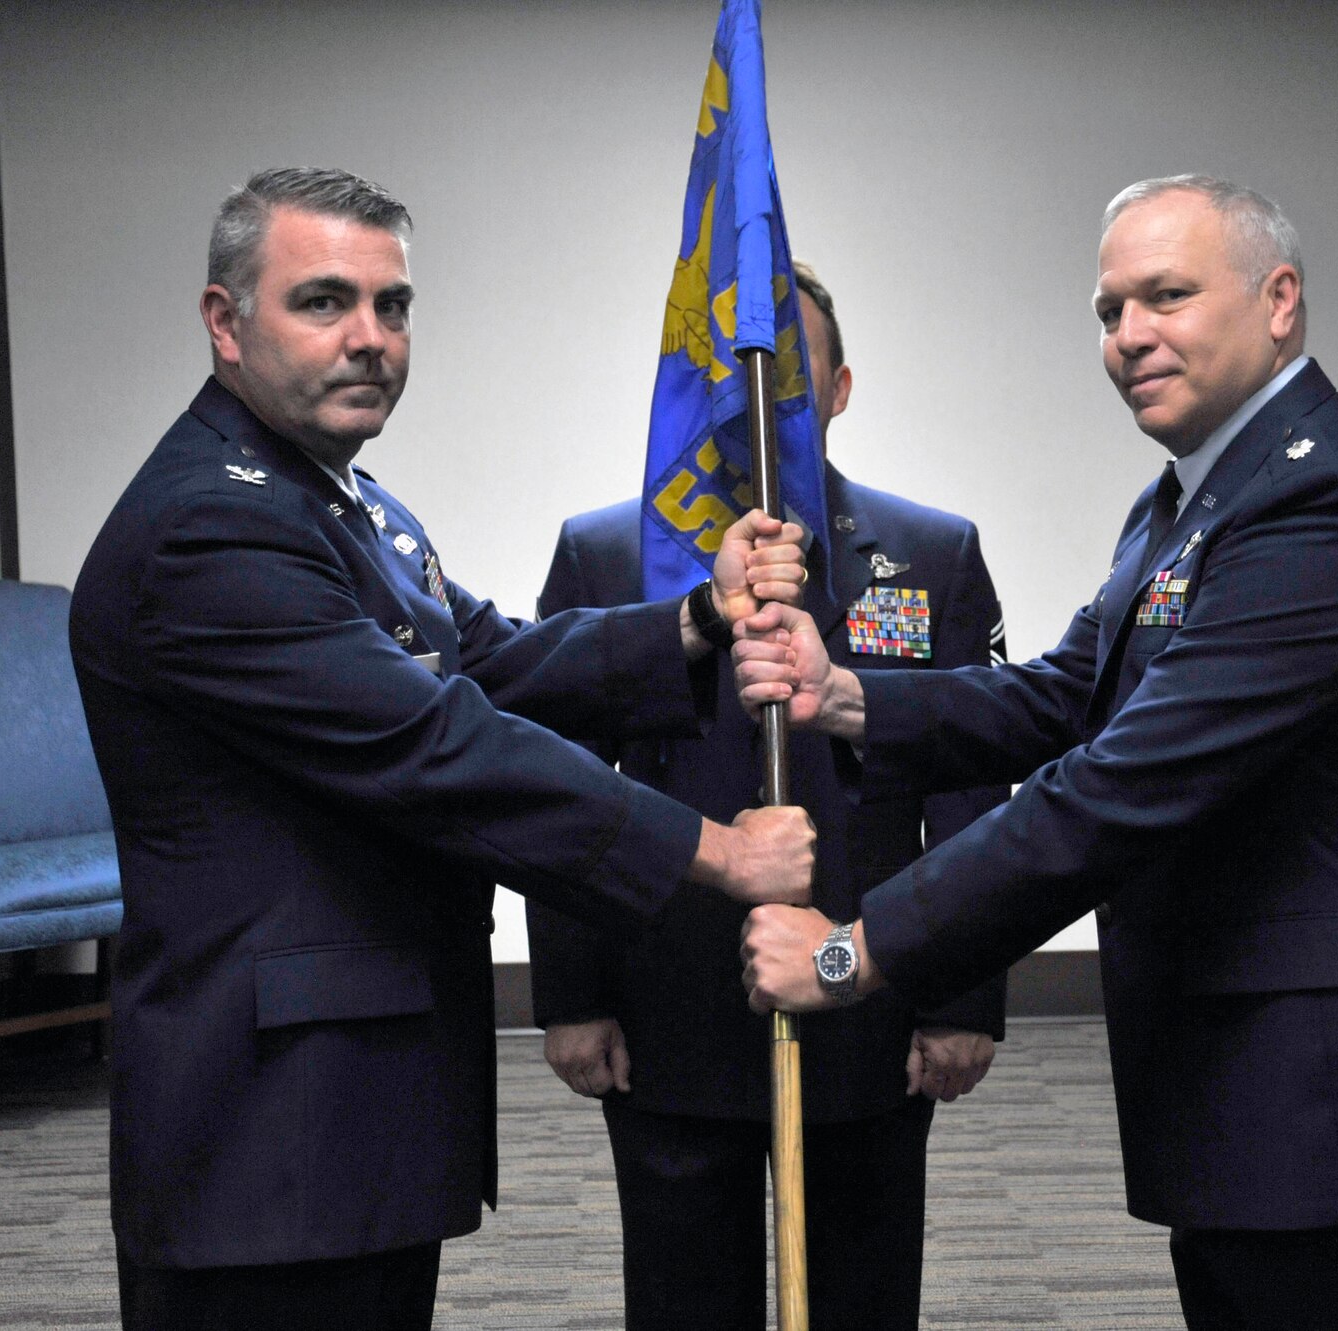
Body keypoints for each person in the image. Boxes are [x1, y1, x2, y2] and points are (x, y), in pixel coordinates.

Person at [734, 176, 1338, 1330]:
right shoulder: (1187, 500)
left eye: (1167, 295)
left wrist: (852, 955)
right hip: (1246, 1086)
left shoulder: (1321, 503)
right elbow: (1065, 695)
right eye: (1109, 310)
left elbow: (1116, 789)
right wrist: (845, 693)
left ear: (1278, 302)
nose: (1128, 336)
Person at [69, 166, 815, 1331]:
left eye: (393, 306)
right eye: (322, 302)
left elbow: (496, 661)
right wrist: (718, 853)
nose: (369, 339)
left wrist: (698, 617)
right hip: (268, 1124)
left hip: (351, 1095)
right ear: (226, 322)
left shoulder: (348, 503)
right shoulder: (207, 526)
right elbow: (436, 745)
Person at [524, 260, 1009, 1331]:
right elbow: (552, 778)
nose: (759, 398)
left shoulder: (931, 552)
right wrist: (569, 990)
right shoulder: (605, 555)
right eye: (735, 375)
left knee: (863, 1284)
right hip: (666, 992)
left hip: (867, 983)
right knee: (679, 1287)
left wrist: (960, 995)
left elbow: (972, 780)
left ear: (837, 391)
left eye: (793, 374)